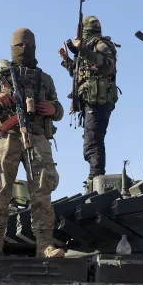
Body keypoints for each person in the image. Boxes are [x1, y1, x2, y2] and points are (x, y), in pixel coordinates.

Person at [0, 28, 65, 258]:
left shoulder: (45, 79)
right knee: (1, 188)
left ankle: (44, 244)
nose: (25, 49)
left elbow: (59, 108)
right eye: (20, 46)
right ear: (13, 47)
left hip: (37, 137)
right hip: (6, 137)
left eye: (29, 46)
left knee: (42, 190)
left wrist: (53, 109)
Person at [58, 15, 119, 187]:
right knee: (91, 141)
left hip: (99, 100)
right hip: (89, 100)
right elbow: (79, 73)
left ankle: (96, 178)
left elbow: (107, 66)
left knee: (93, 142)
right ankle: (95, 177)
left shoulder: (101, 45)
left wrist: (83, 51)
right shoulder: (87, 48)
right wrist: (66, 60)